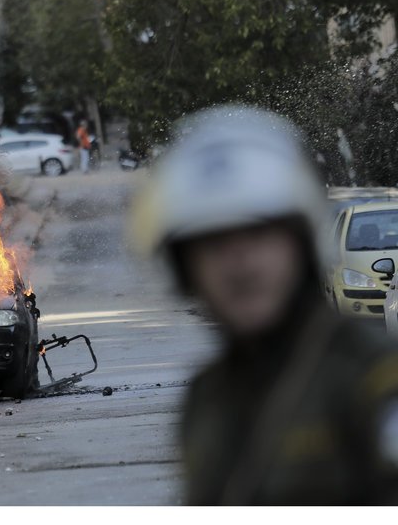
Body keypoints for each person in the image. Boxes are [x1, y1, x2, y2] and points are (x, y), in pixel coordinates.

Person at [132, 105, 398, 504]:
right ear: (185, 267)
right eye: (214, 242)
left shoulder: (375, 377)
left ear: (302, 244)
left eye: (258, 233)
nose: (239, 262)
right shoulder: (206, 400)